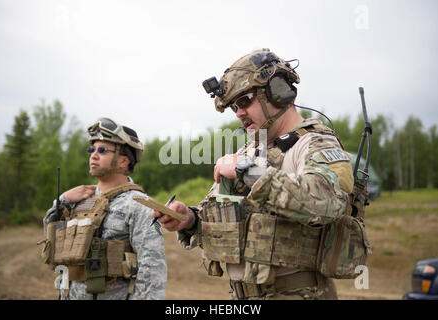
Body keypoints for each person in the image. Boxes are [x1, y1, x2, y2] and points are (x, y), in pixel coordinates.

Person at [151, 49, 357, 300]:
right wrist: (190, 220)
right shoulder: (249, 153)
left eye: (245, 100)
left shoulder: (315, 142)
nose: (238, 113)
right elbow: (228, 221)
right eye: (235, 106)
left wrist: (247, 171)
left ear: (278, 92)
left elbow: (328, 202)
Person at [42, 117, 166, 300]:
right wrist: (62, 201)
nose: (93, 155)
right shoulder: (79, 201)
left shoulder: (139, 205)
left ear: (123, 162)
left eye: (102, 150)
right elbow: (52, 241)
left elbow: (152, 272)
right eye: (92, 149)